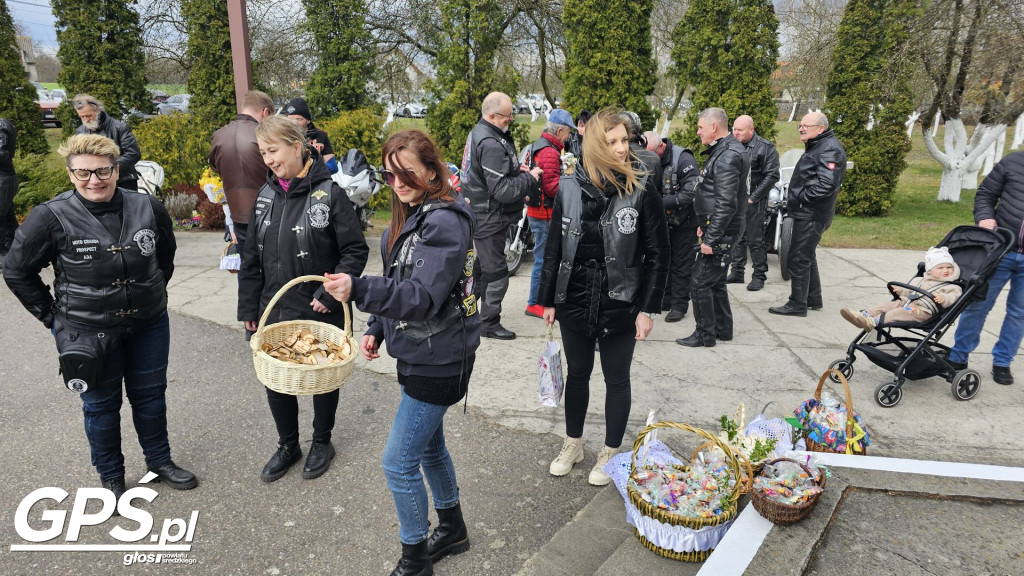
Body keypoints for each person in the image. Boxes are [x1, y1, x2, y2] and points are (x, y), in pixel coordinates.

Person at [3, 133, 196, 498]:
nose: (94, 180)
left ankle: (159, 460)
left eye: (103, 171)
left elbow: (165, 255)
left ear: (116, 168)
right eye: (83, 173)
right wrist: (52, 317)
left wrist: (150, 290)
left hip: (149, 323)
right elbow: (16, 270)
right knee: (101, 404)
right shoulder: (50, 216)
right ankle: (111, 474)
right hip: (88, 332)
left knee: (151, 396)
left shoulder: (147, 207)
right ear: (70, 173)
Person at [322, 130, 480, 576]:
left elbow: (422, 295)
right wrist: (376, 326)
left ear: (432, 169)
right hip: (419, 351)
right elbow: (401, 276)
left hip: (442, 359)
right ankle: (452, 529)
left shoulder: (445, 221)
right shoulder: (414, 214)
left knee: (398, 462)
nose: (398, 182)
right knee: (429, 448)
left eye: (407, 172)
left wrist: (358, 291)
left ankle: (415, 561)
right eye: (390, 174)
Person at [537, 108, 669, 487]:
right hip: (574, 297)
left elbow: (659, 254)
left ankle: (610, 450)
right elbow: (554, 250)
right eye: (612, 141)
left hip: (621, 298)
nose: (621, 148)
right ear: (594, 144)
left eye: (624, 140)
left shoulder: (642, 188)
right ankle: (573, 443)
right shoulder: (566, 188)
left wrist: (647, 308)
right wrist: (547, 300)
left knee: (617, 378)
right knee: (577, 375)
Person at [237, 116, 368, 482]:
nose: (269, 160)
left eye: (273, 150)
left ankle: (322, 441)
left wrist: (329, 291)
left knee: (320, 379)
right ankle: (287, 444)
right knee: (277, 380)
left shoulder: (331, 193)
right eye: (263, 153)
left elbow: (354, 251)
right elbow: (251, 257)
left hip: (317, 309)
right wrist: (249, 307)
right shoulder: (264, 196)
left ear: (297, 146)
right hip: (273, 307)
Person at [460, 91, 542, 340]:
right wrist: (530, 178)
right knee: (496, 273)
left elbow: (494, 175)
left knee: (481, 270)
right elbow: (503, 190)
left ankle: (463, 315)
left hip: (483, 212)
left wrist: (517, 170)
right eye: (508, 116)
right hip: (488, 216)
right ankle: (488, 323)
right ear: (492, 115)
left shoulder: (482, 133)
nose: (512, 120)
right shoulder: (490, 143)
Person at [949, 149, 1024, 385]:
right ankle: (958, 357)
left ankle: (1002, 361)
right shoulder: (1013, 161)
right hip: (1001, 249)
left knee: (1019, 313)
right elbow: (985, 194)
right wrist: (984, 217)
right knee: (978, 305)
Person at [677, 108, 749, 348]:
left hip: (723, 231)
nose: (698, 132)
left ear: (714, 127)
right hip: (718, 228)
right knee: (716, 282)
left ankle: (705, 334)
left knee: (699, 282)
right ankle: (722, 329)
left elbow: (726, 203)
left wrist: (712, 238)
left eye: (700, 127)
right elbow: (715, 195)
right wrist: (704, 225)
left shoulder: (728, 155)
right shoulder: (724, 150)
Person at [769, 112, 846, 317]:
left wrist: (802, 197)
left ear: (820, 128)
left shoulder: (829, 149)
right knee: (807, 255)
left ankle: (797, 304)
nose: (801, 128)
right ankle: (813, 298)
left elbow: (828, 184)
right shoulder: (819, 145)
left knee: (798, 258)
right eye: (800, 125)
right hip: (809, 211)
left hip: (811, 213)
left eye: (806, 125)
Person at [525, 109, 575, 319]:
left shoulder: (540, 146)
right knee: (544, 260)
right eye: (568, 132)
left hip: (537, 211)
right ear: (560, 129)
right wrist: (570, 182)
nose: (569, 137)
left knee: (543, 258)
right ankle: (534, 304)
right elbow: (552, 188)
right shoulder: (549, 152)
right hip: (544, 214)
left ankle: (536, 301)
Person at [209, 89, 275, 249]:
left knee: (247, 268)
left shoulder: (219, 135)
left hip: (237, 214)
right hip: (269, 212)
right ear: (265, 112)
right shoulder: (264, 135)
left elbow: (213, 168)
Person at [644, 130, 698, 322]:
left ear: (661, 146)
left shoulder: (684, 159)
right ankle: (666, 300)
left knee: (682, 265)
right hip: (664, 223)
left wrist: (658, 202)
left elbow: (690, 194)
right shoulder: (651, 159)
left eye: (651, 152)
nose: (648, 157)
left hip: (686, 222)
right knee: (664, 262)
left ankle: (679, 305)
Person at [840, 246, 962, 331]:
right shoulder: (919, 280)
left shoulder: (952, 286)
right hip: (908, 304)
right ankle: (863, 314)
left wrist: (944, 298)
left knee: (898, 312)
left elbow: (953, 297)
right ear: (929, 270)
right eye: (940, 268)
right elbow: (909, 291)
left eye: (949, 267)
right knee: (889, 305)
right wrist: (900, 290)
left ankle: (873, 322)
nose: (946, 270)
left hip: (924, 312)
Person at [728, 115, 780, 292]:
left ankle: (759, 275)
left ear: (751, 129)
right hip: (734, 198)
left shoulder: (765, 148)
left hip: (754, 200)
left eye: (739, 130)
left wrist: (753, 197)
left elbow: (772, 175)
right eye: (734, 129)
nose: (735, 133)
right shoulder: (730, 144)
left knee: (755, 239)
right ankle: (737, 272)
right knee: (737, 236)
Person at [72, 94, 142, 191]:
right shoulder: (80, 131)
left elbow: (133, 154)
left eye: (88, 116)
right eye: (82, 117)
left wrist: (106, 169)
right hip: (94, 183)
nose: (85, 120)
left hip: (123, 181)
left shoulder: (119, 128)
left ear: (98, 110)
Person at [282, 96, 338, 174]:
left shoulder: (320, 135)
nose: (294, 123)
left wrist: (309, 170)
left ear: (308, 120)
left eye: (298, 119)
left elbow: (333, 167)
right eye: (290, 120)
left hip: (316, 182)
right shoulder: (282, 137)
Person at [0, 117, 15, 269]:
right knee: (9, 218)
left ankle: (3, 253)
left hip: (3, 178)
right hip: (4, 178)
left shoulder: (1, 125)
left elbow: (2, 154)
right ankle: (20, 249)